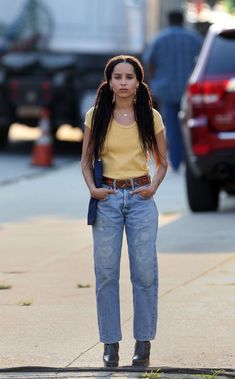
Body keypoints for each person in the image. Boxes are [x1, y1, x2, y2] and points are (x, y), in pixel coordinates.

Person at [81, 55, 168, 368]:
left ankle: (142, 343)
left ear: (138, 82)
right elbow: (85, 160)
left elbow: (163, 161)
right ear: (109, 81)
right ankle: (110, 344)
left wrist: (153, 187)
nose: (122, 82)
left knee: (144, 272)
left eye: (129, 77)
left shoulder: (151, 116)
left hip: (140, 198)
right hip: (107, 200)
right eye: (117, 77)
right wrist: (93, 189)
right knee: (105, 273)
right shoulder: (96, 116)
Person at [144, 10, 203, 171]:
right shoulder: (194, 39)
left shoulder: (159, 39)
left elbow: (149, 63)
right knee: (189, 126)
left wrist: (149, 83)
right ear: (183, 20)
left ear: (168, 20)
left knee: (171, 127)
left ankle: (175, 162)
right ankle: (188, 160)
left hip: (166, 90)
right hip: (189, 91)